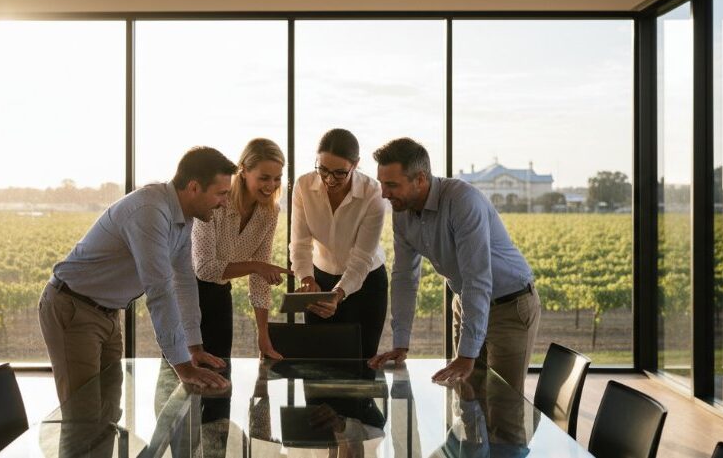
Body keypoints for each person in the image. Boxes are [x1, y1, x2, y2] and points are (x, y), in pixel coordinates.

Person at [39, 146, 234, 403]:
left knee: (110, 409)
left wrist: (193, 347)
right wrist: (183, 367)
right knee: (83, 414)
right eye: (221, 193)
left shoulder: (184, 216)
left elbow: (184, 282)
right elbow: (160, 291)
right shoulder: (150, 211)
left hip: (107, 313)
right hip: (74, 308)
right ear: (194, 187)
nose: (225, 203)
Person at [368, 138, 540, 394]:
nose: (384, 193)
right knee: (466, 399)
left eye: (392, 185)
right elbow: (404, 278)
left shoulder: (463, 201)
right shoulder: (401, 212)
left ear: (420, 179)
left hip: (509, 307)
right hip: (466, 302)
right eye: (382, 183)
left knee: (504, 404)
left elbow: (477, 278)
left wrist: (467, 354)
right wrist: (401, 343)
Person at [290, 128, 387, 358]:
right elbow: (300, 244)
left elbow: (362, 257)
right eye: (323, 169)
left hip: (366, 283)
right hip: (319, 280)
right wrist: (306, 279)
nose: (329, 179)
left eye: (339, 173)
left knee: (361, 362)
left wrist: (339, 293)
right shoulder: (303, 186)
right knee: (318, 362)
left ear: (356, 164)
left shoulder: (373, 192)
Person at [192, 138, 291, 359]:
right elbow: (204, 269)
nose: (271, 185)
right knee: (180, 376)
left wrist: (263, 335)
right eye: (264, 178)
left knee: (221, 371)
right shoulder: (216, 201)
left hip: (220, 294)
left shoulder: (270, 213)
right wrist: (256, 266)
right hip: (186, 293)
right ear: (244, 170)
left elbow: (259, 279)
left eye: (277, 178)